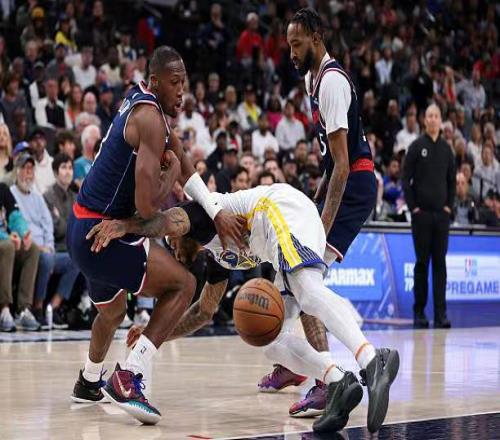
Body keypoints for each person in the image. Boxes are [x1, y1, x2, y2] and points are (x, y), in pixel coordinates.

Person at [87, 183, 399, 434]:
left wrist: (126, 227)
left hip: (281, 210)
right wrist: (155, 334)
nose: (175, 252)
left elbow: (164, 221)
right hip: (282, 238)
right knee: (273, 341)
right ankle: (337, 381)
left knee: (306, 291)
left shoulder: (199, 215)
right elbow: (204, 312)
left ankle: (373, 360)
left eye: (172, 244)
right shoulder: (216, 259)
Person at [66, 46, 245, 424]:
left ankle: (89, 381)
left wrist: (215, 212)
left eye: (185, 83)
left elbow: (188, 169)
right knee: (184, 284)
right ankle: (129, 376)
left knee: (113, 312)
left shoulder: (142, 104)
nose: (182, 91)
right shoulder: (150, 120)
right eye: (174, 82)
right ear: (154, 82)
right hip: (102, 232)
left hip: (81, 227)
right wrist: (171, 172)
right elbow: (147, 207)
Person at [286, 9, 397, 430]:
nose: (291, 52)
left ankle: (338, 375)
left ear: (316, 37)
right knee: (299, 284)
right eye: (289, 44)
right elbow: (331, 164)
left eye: (297, 43)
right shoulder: (312, 80)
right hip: (343, 182)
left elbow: (344, 164)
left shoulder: (331, 81)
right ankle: (325, 376)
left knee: (305, 278)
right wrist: (314, 202)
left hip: (355, 185)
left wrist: (320, 229)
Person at [402, 103, 456, 329]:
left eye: (436, 116)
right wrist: (414, 208)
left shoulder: (447, 150)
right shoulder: (416, 146)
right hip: (421, 216)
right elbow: (406, 179)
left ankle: (441, 315)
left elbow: (452, 182)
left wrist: (449, 207)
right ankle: (419, 313)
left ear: (441, 121)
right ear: (425, 120)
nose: (433, 119)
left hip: (441, 217)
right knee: (422, 264)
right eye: (430, 116)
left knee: (440, 265)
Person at [43, 153, 80, 328]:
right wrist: (67, 225)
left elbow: (78, 228)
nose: (68, 172)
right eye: (63, 167)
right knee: (76, 261)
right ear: (55, 172)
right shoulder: (48, 196)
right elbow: (57, 230)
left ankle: (86, 306)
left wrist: (62, 222)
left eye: (70, 168)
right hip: (56, 249)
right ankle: (53, 306)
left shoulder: (75, 197)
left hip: (71, 247)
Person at [0, 181, 40, 332]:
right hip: (5, 242)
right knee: (7, 246)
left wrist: (24, 233)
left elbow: (15, 215)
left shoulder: (3, 188)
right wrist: (6, 237)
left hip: (7, 241)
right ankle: (4, 309)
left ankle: (23, 309)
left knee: (32, 249)